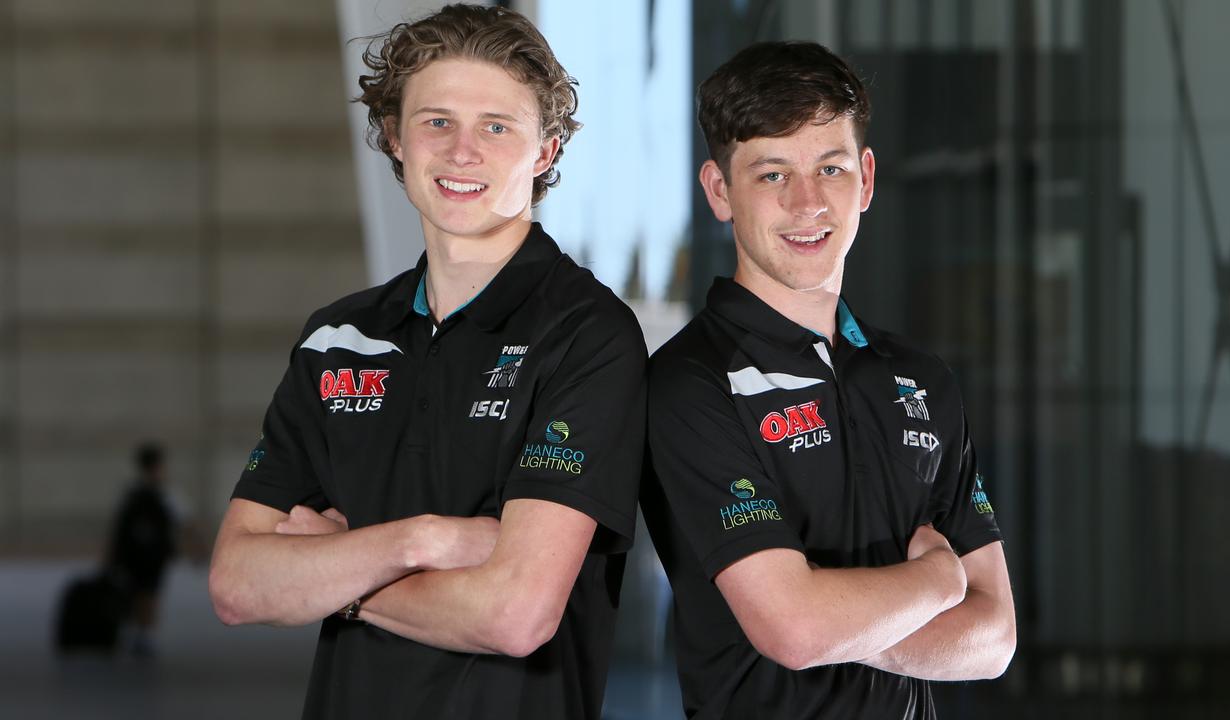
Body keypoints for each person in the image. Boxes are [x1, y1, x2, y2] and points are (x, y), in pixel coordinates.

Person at [208, 5, 646, 719]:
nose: (462, 151)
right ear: (394, 138)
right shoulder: (337, 338)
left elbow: (515, 614)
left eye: (496, 127)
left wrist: (340, 566)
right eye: (436, 121)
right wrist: (426, 539)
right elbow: (237, 582)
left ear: (547, 150)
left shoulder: (587, 336)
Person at [641, 41, 1016, 719]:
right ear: (720, 192)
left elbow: (993, 639)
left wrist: (835, 615)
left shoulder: (920, 380)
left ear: (866, 180)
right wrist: (938, 577)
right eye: (773, 174)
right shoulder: (690, 385)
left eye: (831, 168)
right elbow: (794, 630)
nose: (808, 202)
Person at [106, 442, 177, 657]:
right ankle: (144, 634)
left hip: (134, 555)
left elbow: (119, 529)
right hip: (153, 556)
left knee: (139, 592)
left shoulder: (132, 495)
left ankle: (140, 632)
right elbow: (184, 522)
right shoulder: (163, 495)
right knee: (149, 594)